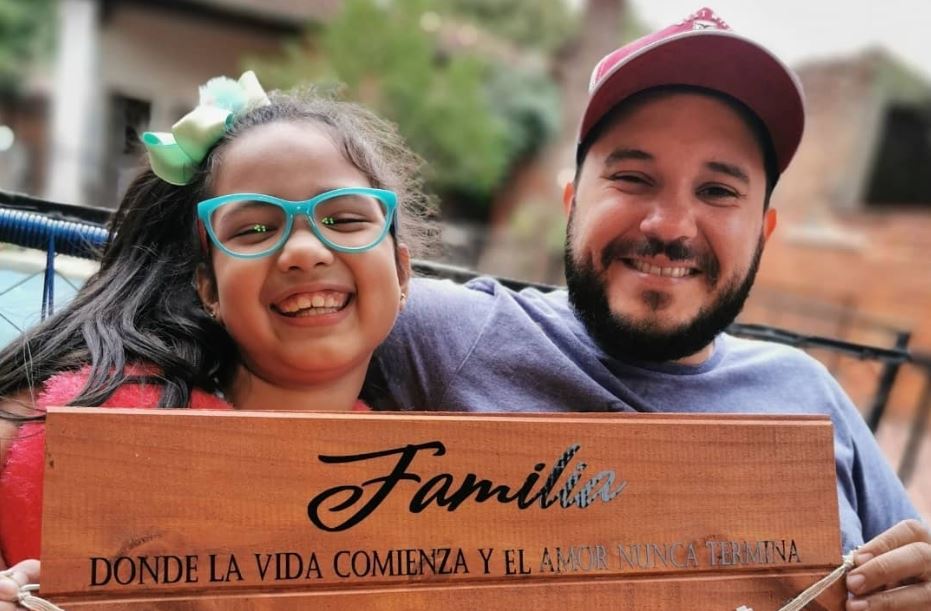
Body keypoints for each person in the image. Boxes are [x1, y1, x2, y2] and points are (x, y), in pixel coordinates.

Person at [370, 8, 931, 609]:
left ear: (763, 230)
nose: (670, 226)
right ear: (572, 200)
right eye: (634, 177)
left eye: (717, 191)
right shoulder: (444, 335)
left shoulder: (813, 397)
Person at [0, 72, 432, 605]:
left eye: (343, 218)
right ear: (209, 288)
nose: (304, 251)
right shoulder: (74, 415)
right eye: (254, 230)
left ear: (403, 274)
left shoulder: (425, 479)